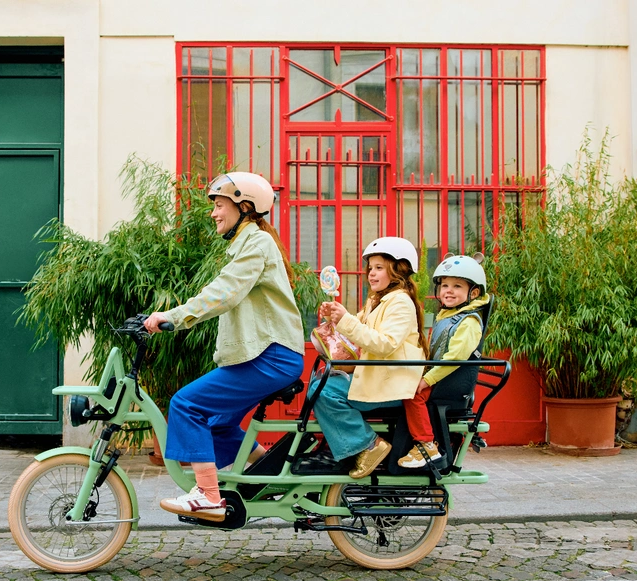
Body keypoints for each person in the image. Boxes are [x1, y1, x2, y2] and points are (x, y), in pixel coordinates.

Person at [143, 172, 305, 522]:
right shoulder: (248, 245)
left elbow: (223, 293)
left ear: (245, 207)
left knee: (185, 404)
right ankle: (269, 473)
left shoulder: (257, 244)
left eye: (219, 205)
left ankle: (207, 496)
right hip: (266, 355)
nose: (214, 213)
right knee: (217, 424)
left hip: (271, 356)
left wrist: (173, 317)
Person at [312, 237, 428, 479]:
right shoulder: (378, 301)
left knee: (323, 391)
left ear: (398, 270)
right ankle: (342, 446)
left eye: (379, 268)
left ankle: (369, 445)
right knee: (318, 384)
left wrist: (345, 319)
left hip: (392, 383)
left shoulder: (400, 302)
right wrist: (336, 317)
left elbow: (385, 343)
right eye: (370, 268)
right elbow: (359, 332)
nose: (371, 274)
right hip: (378, 376)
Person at [399, 254, 489, 468]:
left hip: (450, 382)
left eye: (457, 286)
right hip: (441, 377)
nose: (448, 290)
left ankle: (426, 445)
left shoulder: (469, 321)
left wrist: (427, 380)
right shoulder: (446, 315)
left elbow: (454, 358)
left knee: (413, 394)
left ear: (473, 293)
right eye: (445, 285)